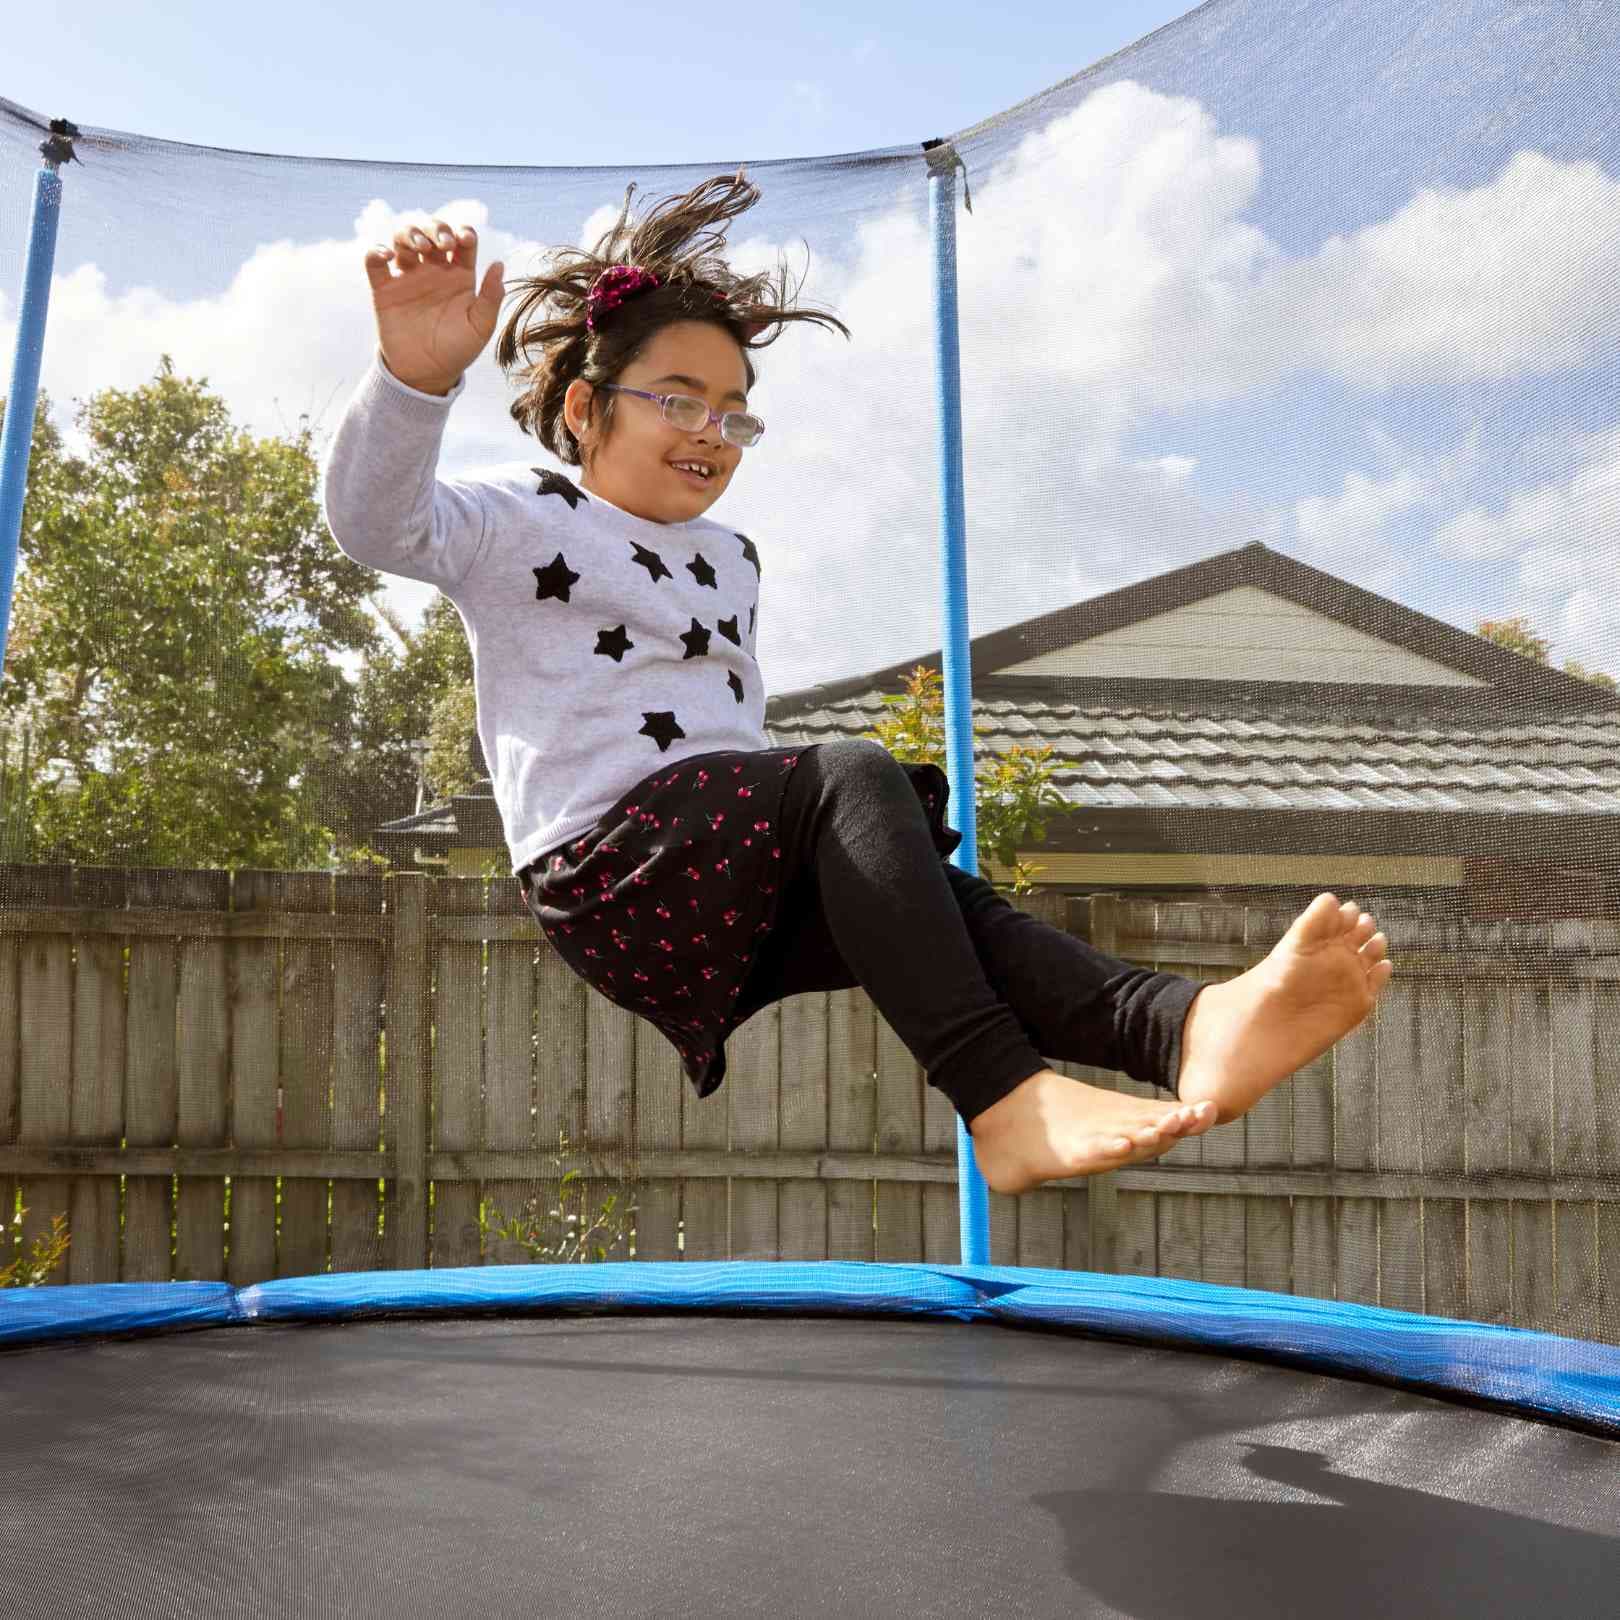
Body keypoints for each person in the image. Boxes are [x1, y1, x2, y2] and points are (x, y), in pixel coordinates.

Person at [322, 169, 1394, 1198]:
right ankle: (1003, 1101)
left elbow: (722, 738)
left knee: (952, 909)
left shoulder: (730, 558)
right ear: (584, 407)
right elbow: (379, 523)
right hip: (611, 868)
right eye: (679, 399)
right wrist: (416, 379)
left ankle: (1179, 1028)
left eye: (736, 413)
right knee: (851, 774)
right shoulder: (522, 517)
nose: (713, 431)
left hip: (715, 864)